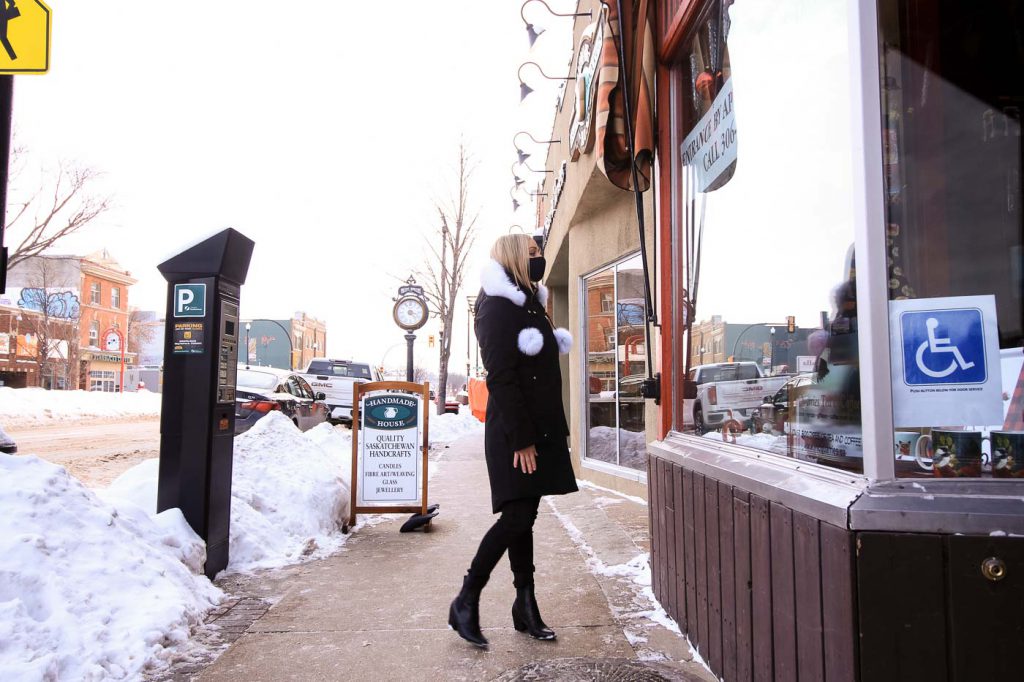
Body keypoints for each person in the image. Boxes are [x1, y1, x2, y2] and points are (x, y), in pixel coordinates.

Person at [448, 234, 578, 649]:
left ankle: (525, 604)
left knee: (526, 515)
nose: (539, 260)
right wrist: (522, 439)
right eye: (534, 254)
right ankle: (466, 598)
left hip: (535, 429)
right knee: (516, 517)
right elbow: (500, 375)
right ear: (515, 257)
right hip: (514, 433)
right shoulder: (497, 306)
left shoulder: (527, 300)